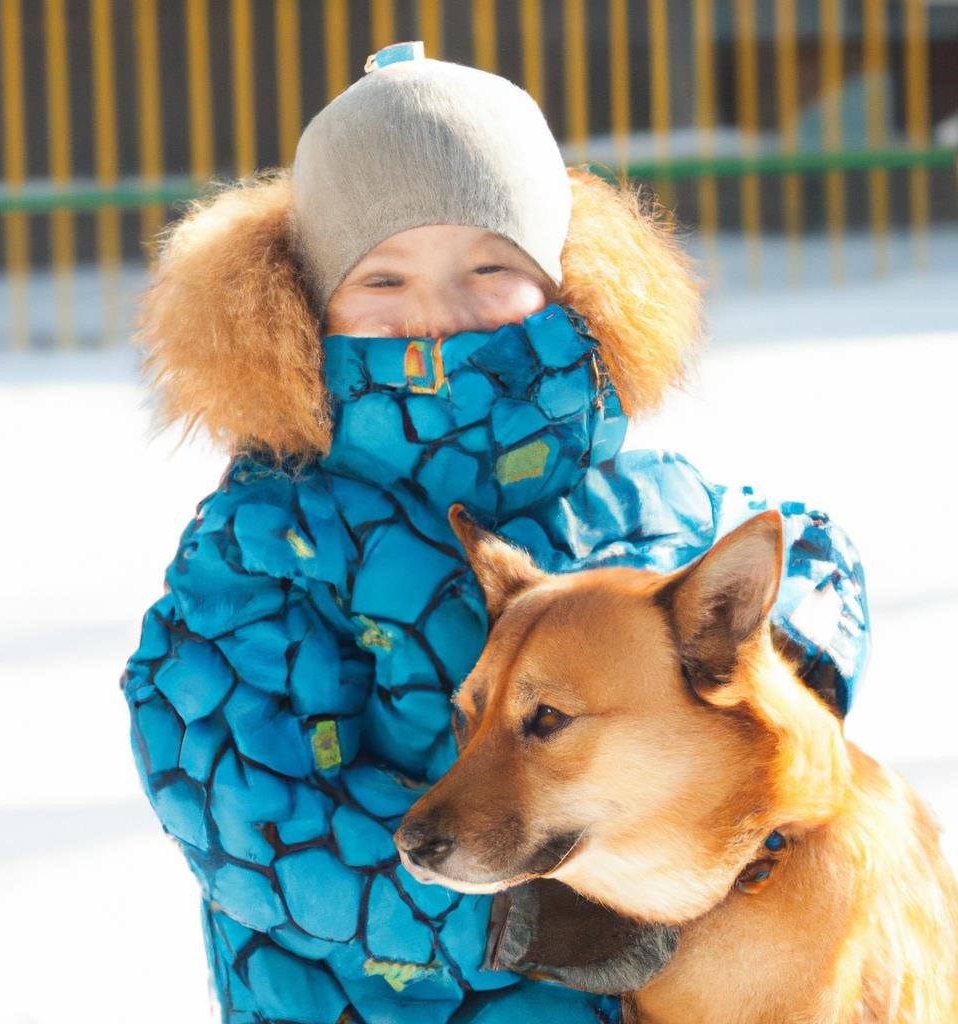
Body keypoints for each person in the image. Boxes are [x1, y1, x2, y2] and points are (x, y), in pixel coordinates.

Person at [123, 43, 868, 1024]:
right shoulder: (265, 544)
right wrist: (503, 922)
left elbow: (810, 555)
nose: (438, 315)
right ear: (299, 308)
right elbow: (243, 811)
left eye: (489, 266)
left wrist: (763, 685)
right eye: (382, 279)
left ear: (561, 286)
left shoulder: (642, 505)